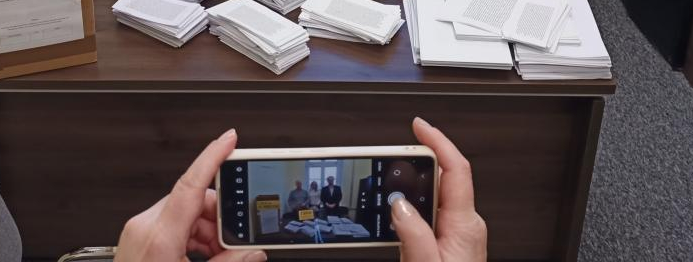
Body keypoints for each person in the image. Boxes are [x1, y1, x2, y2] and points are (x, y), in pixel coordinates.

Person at [113, 118, 488, 262]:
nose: (320, 184)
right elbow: (302, 203)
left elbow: (328, 200)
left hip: (325, 211)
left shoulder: (328, 191)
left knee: (321, 215)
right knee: (301, 217)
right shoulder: (299, 193)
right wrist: (308, 202)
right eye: (307, 184)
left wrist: (327, 203)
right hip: (303, 213)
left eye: (324, 183)